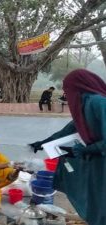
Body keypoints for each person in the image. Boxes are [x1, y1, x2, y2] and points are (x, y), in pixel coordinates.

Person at [28, 69, 106, 225]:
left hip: (102, 160)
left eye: (67, 89)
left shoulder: (98, 102)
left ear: (78, 86)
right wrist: (43, 143)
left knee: (102, 201)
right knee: (95, 200)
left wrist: (88, 149)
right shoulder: (82, 105)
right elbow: (69, 129)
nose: (66, 93)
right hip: (96, 163)